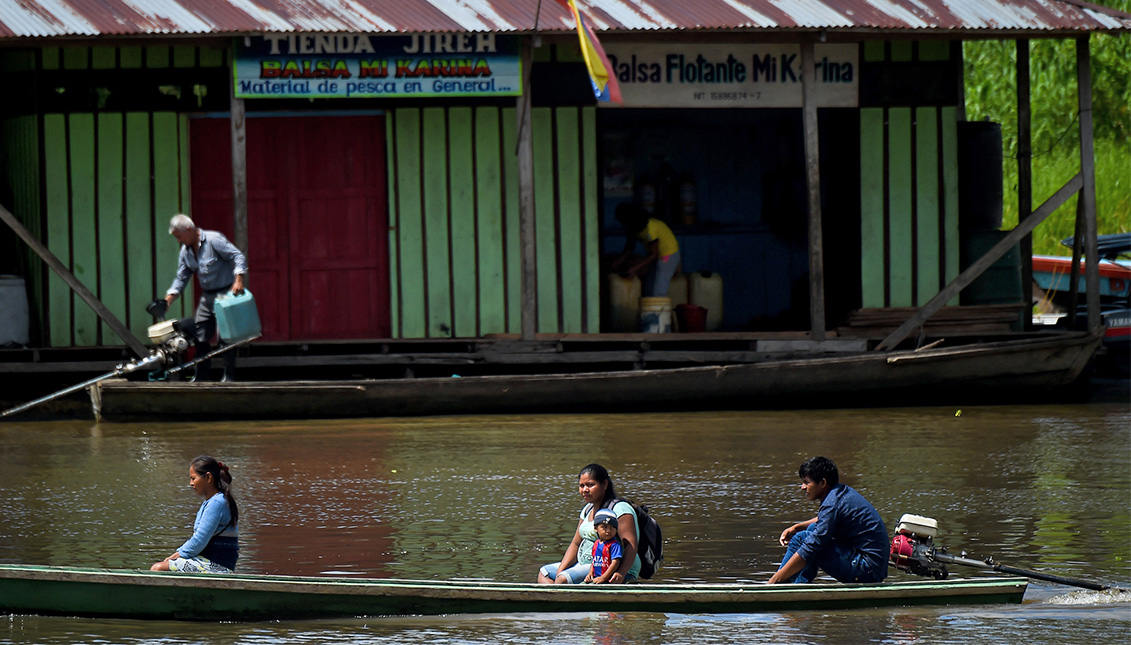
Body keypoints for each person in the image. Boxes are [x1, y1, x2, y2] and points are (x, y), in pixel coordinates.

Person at [768, 456, 888, 584]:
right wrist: (797, 527)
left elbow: (814, 543)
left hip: (866, 570)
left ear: (823, 483)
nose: (803, 487)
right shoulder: (839, 494)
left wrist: (774, 580)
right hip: (872, 568)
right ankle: (796, 584)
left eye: (807, 482)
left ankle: (777, 585)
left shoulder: (832, 502)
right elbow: (825, 519)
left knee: (802, 539)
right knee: (811, 529)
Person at [164, 214, 248, 382]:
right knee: (200, 335)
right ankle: (201, 376)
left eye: (179, 236)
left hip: (225, 292)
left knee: (225, 336)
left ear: (189, 230)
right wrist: (167, 300)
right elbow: (182, 277)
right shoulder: (185, 251)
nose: (179, 241)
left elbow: (237, 256)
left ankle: (229, 376)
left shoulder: (213, 239)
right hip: (207, 295)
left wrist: (239, 279)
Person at [537, 463, 641, 584]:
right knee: (545, 573)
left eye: (590, 485)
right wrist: (561, 570)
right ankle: (557, 601)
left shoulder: (620, 509)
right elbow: (576, 543)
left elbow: (631, 545)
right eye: (582, 485)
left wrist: (621, 573)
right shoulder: (587, 510)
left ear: (605, 484)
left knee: (563, 579)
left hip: (611, 567)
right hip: (586, 565)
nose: (585, 489)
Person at [151, 455, 240, 573]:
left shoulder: (217, 503)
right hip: (208, 561)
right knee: (164, 565)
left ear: (208, 477)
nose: (191, 483)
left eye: (193, 478)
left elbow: (199, 540)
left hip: (218, 566)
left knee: (158, 568)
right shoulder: (212, 502)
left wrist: (179, 554)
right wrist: (179, 554)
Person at [611, 202, 681, 297]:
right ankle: (649, 310)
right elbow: (630, 247)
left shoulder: (649, 229)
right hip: (655, 255)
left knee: (658, 291)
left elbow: (654, 254)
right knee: (649, 289)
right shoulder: (633, 228)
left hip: (668, 255)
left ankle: (658, 311)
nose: (624, 226)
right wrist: (620, 260)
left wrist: (636, 268)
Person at [584, 509, 624, 584]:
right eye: (604, 527)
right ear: (596, 528)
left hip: (608, 579)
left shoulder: (614, 545)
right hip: (597, 577)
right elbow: (594, 561)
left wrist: (603, 578)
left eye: (612, 527)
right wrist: (590, 574)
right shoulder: (596, 544)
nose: (608, 530)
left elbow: (615, 563)